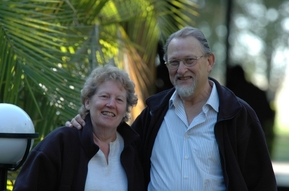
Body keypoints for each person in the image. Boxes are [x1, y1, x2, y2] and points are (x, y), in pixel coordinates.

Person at [67, 27, 277, 190]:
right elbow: (116, 142)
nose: (182, 70)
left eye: (189, 60)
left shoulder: (238, 115)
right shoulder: (154, 112)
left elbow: (262, 184)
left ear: (209, 61)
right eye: (174, 62)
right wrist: (85, 124)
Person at [14, 65, 145, 191]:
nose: (111, 104)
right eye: (104, 96)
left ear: (125, 109)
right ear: (88, 102)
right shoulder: (62, 143)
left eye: (119, 100)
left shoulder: (133, 150)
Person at [226, 64, 276, 155]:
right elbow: (268, 114)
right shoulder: (257, 92)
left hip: (237, 140)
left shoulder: (230, 94)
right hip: (256, 138)